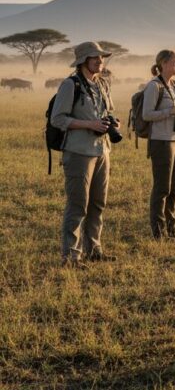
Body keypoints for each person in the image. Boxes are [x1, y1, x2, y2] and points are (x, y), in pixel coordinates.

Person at [50, 41, 119, 267]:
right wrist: (89, 124)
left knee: (98, 203)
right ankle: (71, 256)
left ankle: (94, 249)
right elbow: (57, 119)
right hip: (79, 152)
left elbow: (106, 111)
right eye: (95, 57)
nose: (100, 61)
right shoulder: (70, 85)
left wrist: (111, 122)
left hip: (102, 150)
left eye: (101, 57)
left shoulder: (102, 83)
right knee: (78, 204)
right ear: (82, 61)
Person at [142, 50, 175, 239]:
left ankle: (171, 226)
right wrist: (171, 111)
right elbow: (147, 115)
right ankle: (158, 230)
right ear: (163, 64)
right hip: (162, 141)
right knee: (162, 187)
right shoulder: (154, 86)